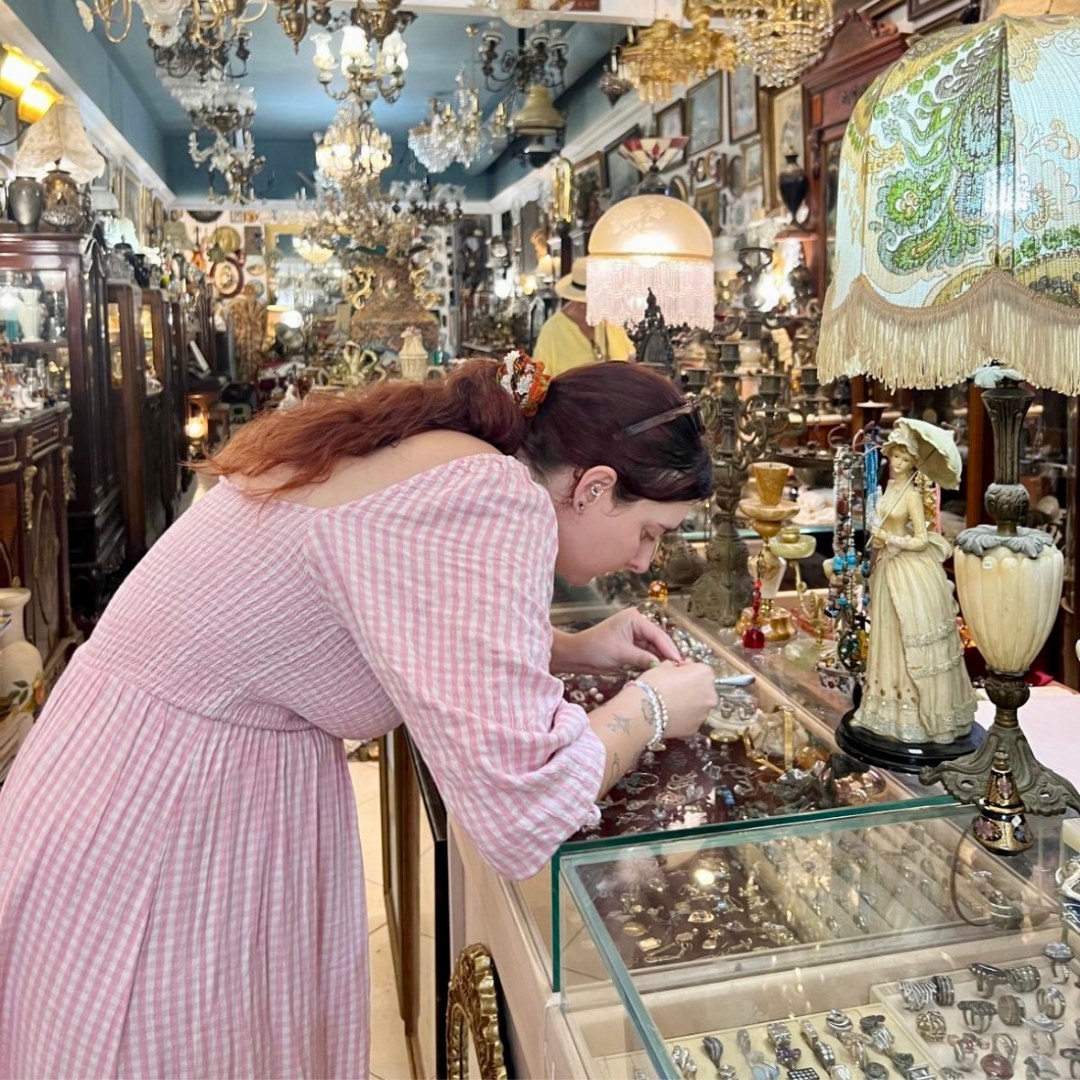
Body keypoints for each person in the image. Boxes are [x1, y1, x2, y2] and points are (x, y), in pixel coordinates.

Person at [0, 354, 717, 1079]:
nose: (642, 562)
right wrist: (654, 707)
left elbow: (388, 610)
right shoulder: (493, 494)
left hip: (134, 762)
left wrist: (570, 647)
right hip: (166, 809)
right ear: (594, 488)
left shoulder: (448, 455)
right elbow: (519, 807)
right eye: (651, 532)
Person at [853, 431, 976, 745]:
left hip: (906, 569)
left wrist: (891, 539)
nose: (897, 463)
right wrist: (875, 532)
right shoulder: (893, 485)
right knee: (885, 635)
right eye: (895, 456)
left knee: (906, 635)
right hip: (885, 568)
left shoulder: (910, 495)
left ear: (914, 463)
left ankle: (918, 717)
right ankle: (878, 711)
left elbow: (921, 539)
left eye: (905, 459)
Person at [533, 257, 635, 376]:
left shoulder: (610, 322)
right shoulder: (553, 330)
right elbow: (539, 382)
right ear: (581, 302)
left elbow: (629, 359)